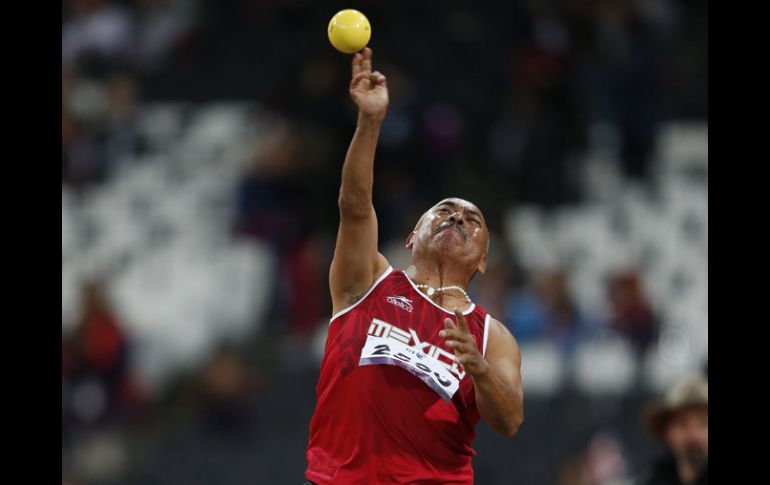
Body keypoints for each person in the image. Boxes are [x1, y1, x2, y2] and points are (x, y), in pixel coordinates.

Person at [304, 48, 524, 484]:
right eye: (443, 211)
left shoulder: (490, 337)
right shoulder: (366, 283)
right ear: (411, 237)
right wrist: (369, 123)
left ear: (483, 260)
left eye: (472, 220)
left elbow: (510, 420)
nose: (457, 217)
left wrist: (479, 370)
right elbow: (354, 206)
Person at [642, 375, 708, 485]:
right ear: (666, 433)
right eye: (682, 425)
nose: (693, 436)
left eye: (703, 424)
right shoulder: (652, 480)